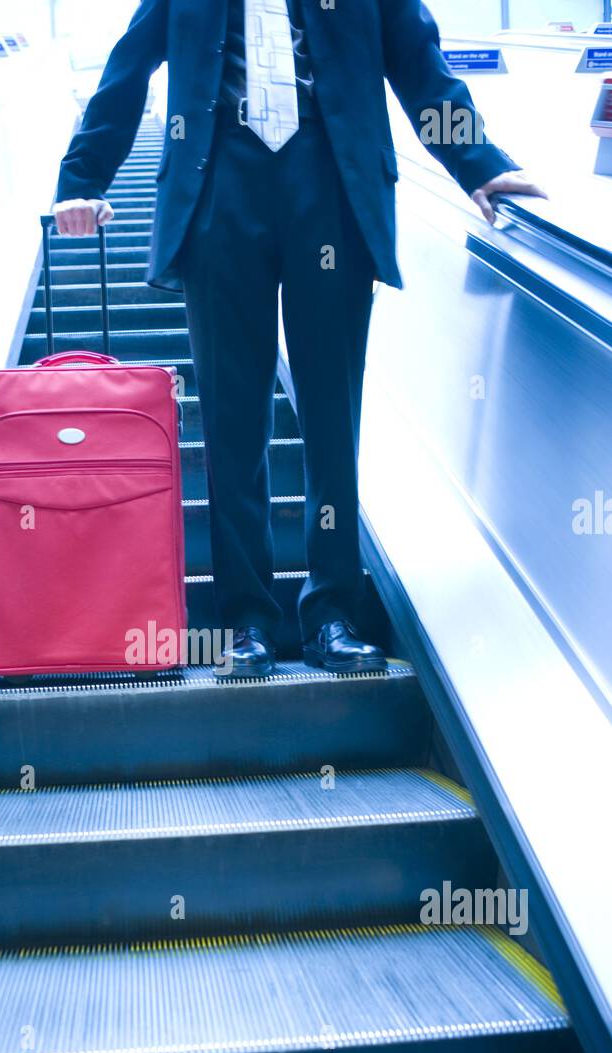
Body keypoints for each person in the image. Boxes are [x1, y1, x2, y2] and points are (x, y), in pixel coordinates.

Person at [53, 1, 544, 678]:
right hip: (217, 183)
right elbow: (129, 66)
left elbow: (420, 66)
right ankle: (246, 623)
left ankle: (333, 614)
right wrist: (83, 180)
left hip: (332, 179)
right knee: (230, 421)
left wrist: (477, 160)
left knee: (331, 418)